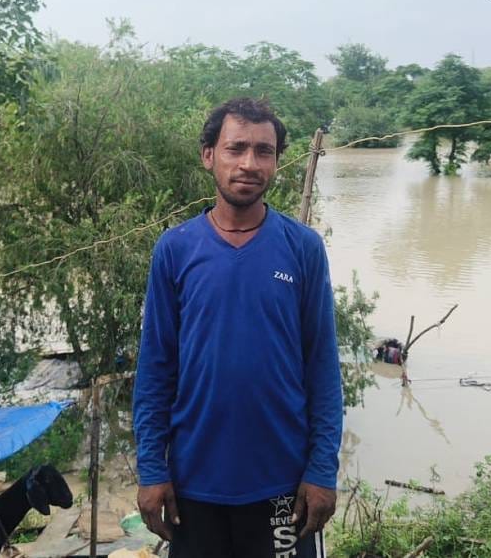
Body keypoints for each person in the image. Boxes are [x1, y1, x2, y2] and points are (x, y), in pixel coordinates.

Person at [133, 97, 343, 558]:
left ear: (277, 162)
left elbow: (323, 369)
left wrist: (322, 470)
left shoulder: (303, 248)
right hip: (194, 487)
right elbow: (155, 370)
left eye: (263, 151)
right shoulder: (176, 249)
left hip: (282, 487)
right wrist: (151, 470)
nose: (249, 164)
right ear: (209, 155)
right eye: (236, 148)